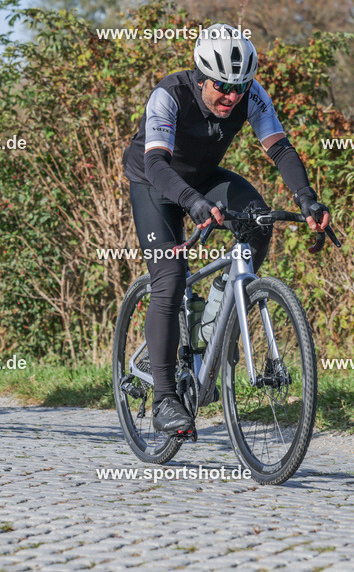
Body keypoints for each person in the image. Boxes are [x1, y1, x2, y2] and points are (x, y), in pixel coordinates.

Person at [122, 23, 331, 435]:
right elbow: (157, 165)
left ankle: (214, 323)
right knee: (170, 278)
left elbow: (280, 148)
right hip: (154, 181)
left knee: (258, 220)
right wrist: (194, 204)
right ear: (201, 77)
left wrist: (306, 199)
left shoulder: (250, 94)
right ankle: (165, 399)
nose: (232, 97)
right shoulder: (169, 95)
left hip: (202, 177)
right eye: (222, 87)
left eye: (239, 87)